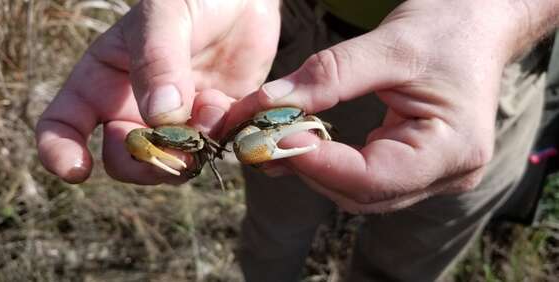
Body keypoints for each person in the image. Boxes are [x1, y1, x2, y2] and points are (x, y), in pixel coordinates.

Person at [36, 0, 559, 281]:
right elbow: (174, 143)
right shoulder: (195, 132)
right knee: (272, 231)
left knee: (409, 262)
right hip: (280, 45)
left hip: (477, 72)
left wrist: (501, 13)